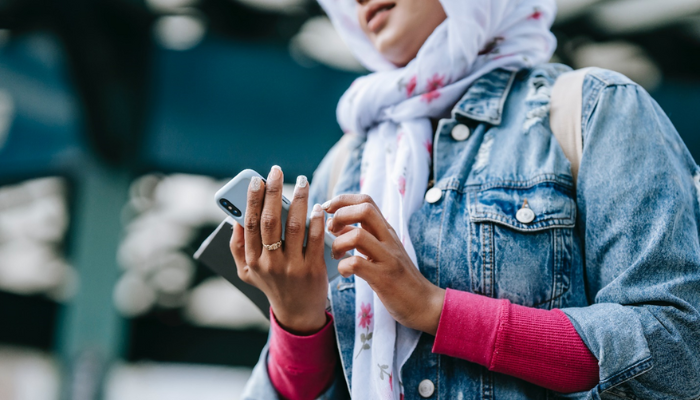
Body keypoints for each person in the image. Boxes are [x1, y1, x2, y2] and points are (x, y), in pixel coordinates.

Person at [230, 0, 700, 398]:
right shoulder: (345, 162)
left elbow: (676, 352)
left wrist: (433, 309)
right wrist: (297, 321)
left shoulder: (596, 107)